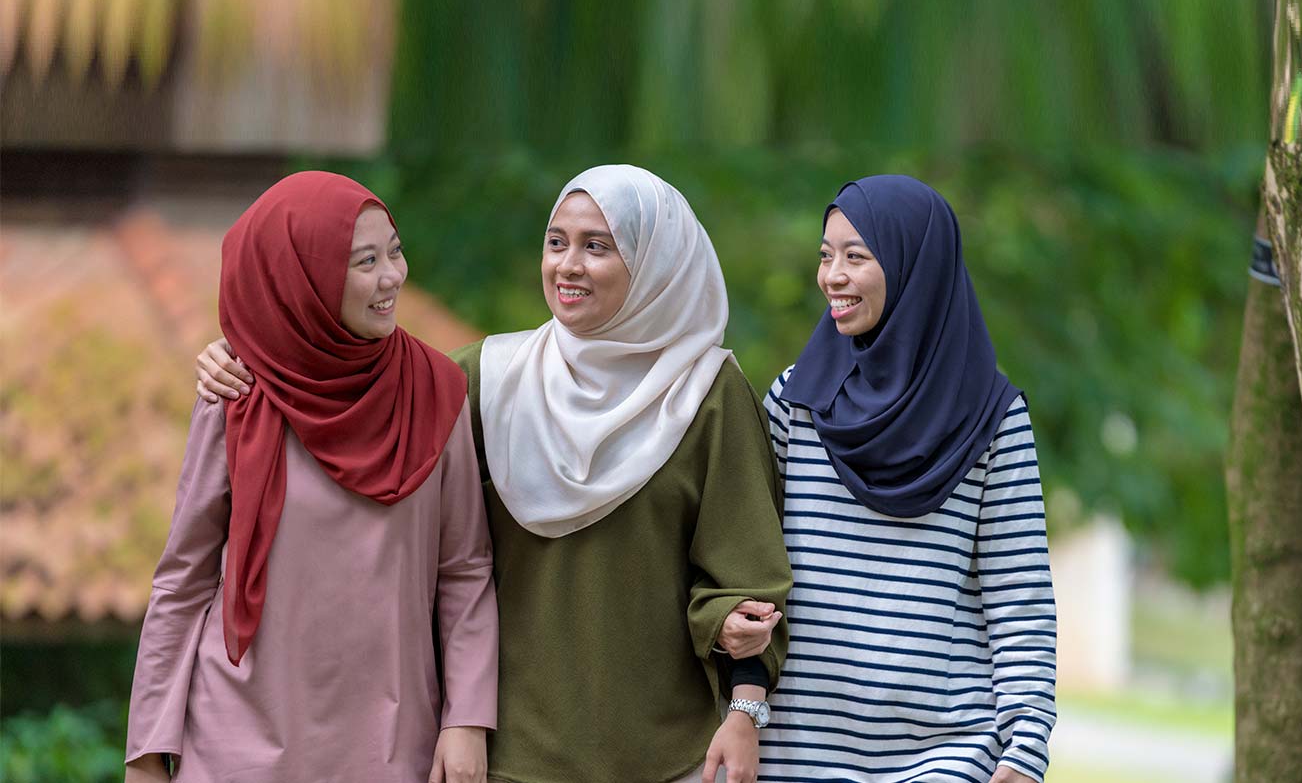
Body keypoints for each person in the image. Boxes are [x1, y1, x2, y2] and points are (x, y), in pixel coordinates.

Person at [195, 165, 792, 783]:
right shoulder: (488, 380)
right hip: (497, 755)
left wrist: (742, 690)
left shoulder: (708, 395)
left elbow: (746, 576)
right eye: (556, 242)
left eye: (597, 246)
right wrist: (242, 355)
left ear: (655, 262)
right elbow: (343, 389)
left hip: (665, 757)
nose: (568, 265)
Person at [127, 172, 498, 783]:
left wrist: (468, 719)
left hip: (390, 743)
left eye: (395, 251)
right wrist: (145, 750)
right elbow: (184, 580)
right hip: (236, 743)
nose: (392, 277)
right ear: (304, 275)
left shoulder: (435, 392)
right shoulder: (237, 394)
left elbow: (464, 569)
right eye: (364, 260)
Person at [742, 175, 1057, 783]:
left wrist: (1025, 746)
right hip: (795, 749)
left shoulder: (994, 419)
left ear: (917, 267)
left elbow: (1018, 596)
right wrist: (742, 704)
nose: (831, 275)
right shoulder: (796, 400)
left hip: (945, 752)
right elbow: (752, 566)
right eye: (825, 254)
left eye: (856, 256)